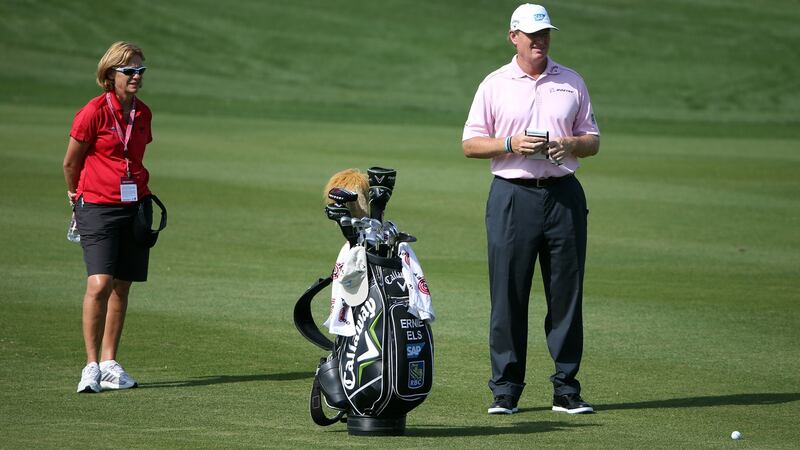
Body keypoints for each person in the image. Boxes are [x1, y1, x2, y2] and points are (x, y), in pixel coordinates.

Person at [462, 4, 600, 415]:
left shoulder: (571, 81)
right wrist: (510, 143)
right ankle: (505, 390)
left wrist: (571, 145)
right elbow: (470, 144)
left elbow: (592, 138)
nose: (540, 40)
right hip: (511, 195)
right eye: (532, 34)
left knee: (566, 297)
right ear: (514, 37)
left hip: (563, 196)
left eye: (545, 34)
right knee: (508, 295)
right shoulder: (494, 83)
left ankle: (566, 389)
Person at [63, 41, 153, 393]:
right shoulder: (93, 112)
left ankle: (110, 362)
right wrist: (77, 194)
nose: (136, 77)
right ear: (110, 74)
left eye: (140, 71)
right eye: (129, 71)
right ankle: (90, 367)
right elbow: (71, 162)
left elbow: (135, 157)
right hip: (97, 205)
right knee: (99, 283)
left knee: (122, 284)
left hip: (135, 205)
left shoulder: (143, 113)